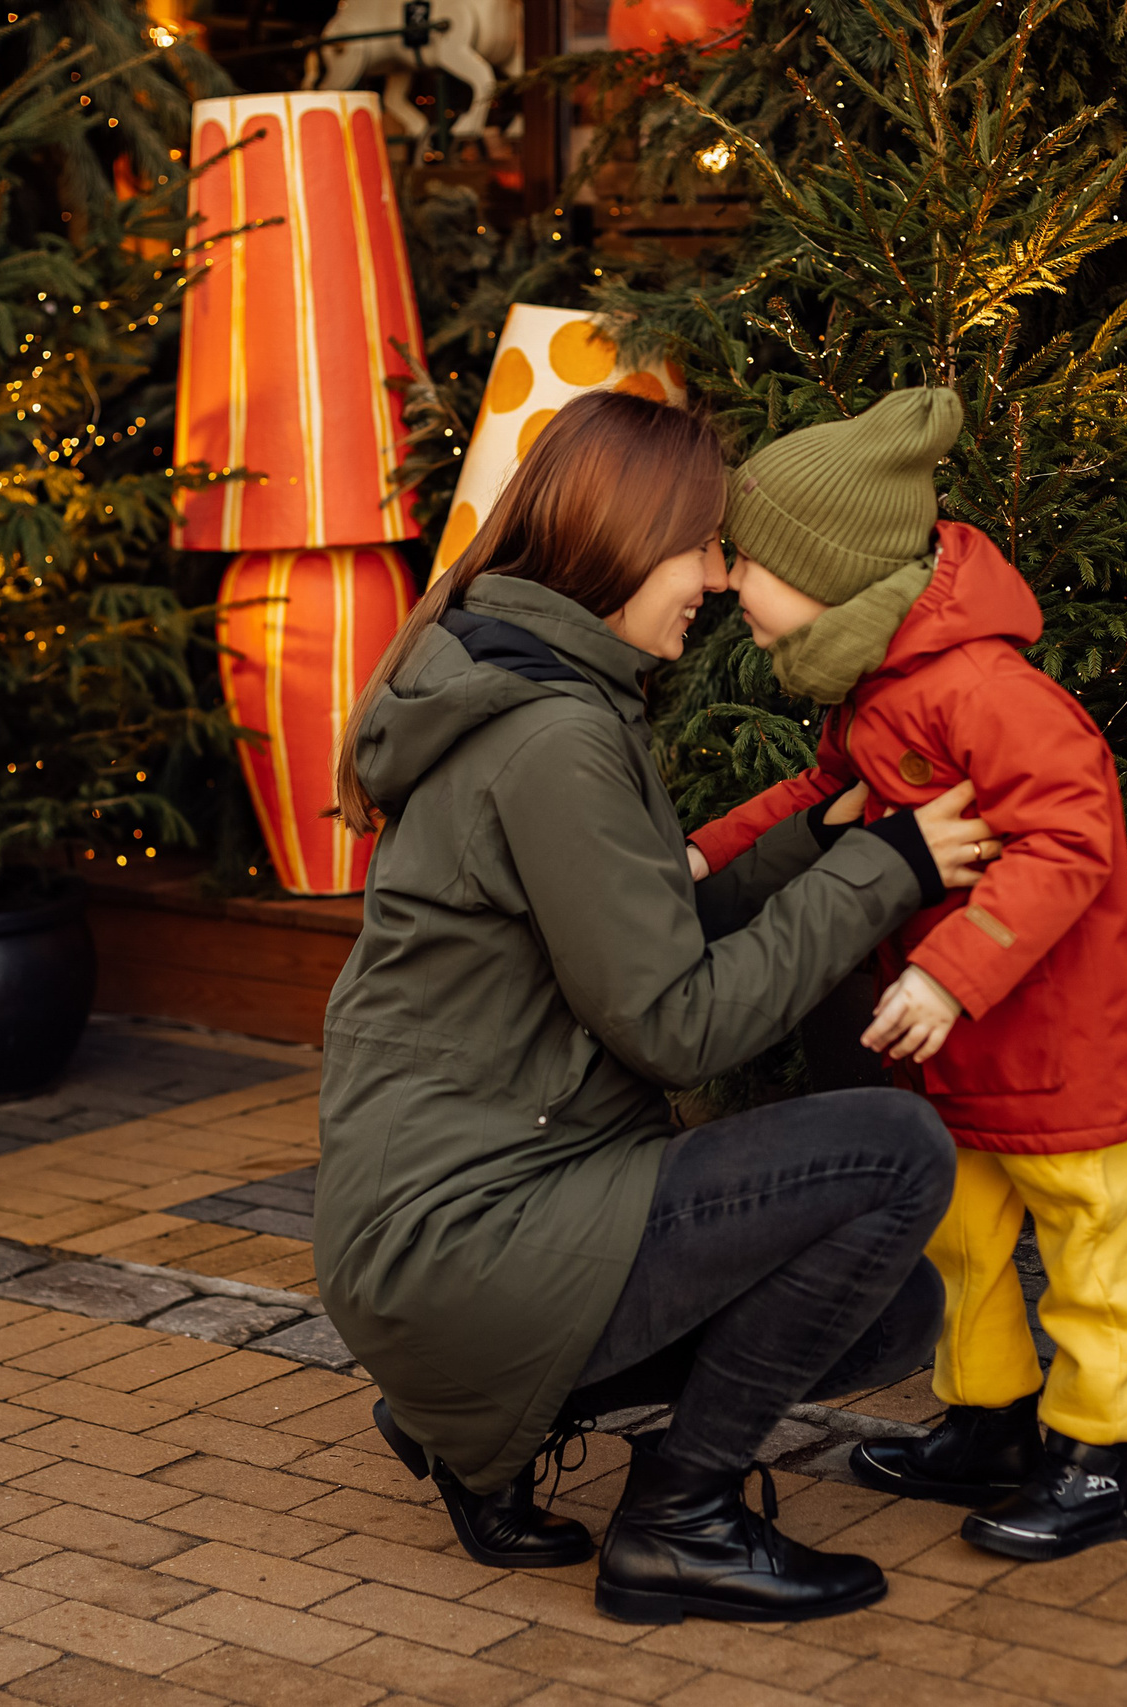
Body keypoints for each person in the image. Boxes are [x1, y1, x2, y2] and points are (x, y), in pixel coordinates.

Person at [312, 389, 999, 1625]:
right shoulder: (553, 738)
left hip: (456, 1230)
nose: (721, 579)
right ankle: (677, 1520)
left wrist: (822, 839)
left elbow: (640, 930)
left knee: (893, 1307)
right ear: (627, 545)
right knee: (894, 1155)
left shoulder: (531, 688)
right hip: (468, 1238)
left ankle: (470, 1416)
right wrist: (886, 868)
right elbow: (675, 1024)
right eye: (701, 546)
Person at [685, 386, 1127, 1561]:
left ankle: (1097, 1457)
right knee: (959, 1238)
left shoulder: (990, 693)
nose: (730, 586)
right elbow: (819, 799)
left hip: (1052, 1043)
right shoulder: (883, 689)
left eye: (751, 562)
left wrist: (948, 974)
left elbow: (1068, 842)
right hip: (953, 1045)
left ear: (831, 570)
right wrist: (706, 853)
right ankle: (989, 1421)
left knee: (1087, 1248)